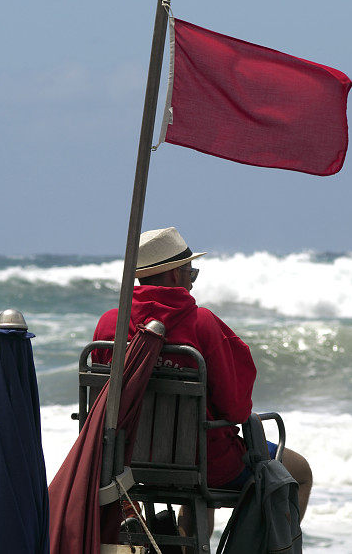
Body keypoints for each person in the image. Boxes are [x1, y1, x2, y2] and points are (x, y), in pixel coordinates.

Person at [92, 227, 313, 536]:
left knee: (195, 467)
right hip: (207, 464)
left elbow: (102, 401)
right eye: (190, 272)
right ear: (173, 276)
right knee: (300, 472)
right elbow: (235, 410)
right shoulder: (202, 324)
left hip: (127, 464)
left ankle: (185, 545)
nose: (192, 281)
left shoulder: (109, 324)